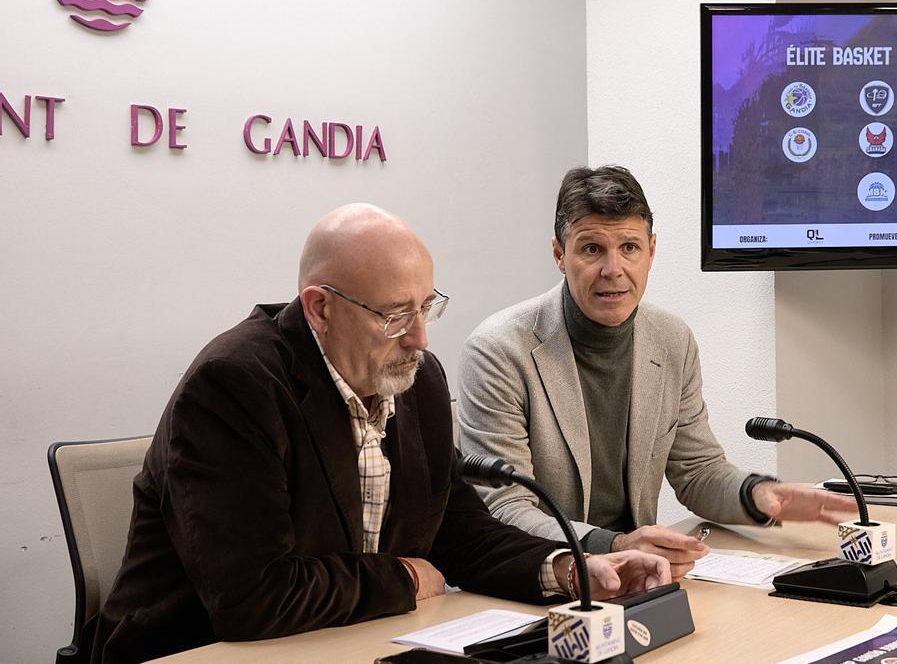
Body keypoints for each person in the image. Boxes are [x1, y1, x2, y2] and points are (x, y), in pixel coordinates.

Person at [92, 203, 669, 664]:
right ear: (320, 309)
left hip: (349, 639)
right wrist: (402, 576)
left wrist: (572, 569)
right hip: (199, 650)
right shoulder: (235, 385)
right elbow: (251, 596)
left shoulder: (415, 378)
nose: (419, 338)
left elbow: (459, 532)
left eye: (427, 308)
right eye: (395, 316)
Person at [457, 166, 857, 580]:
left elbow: (697, 471)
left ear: (650, 251)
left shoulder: (672, 339)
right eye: (592, 249)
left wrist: (758, 494)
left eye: (629, 247)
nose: (613, 269)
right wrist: (614, 545)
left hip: (642, 578)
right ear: (559, 255)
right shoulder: (499, 350)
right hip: (545, 580)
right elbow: (504, 508)